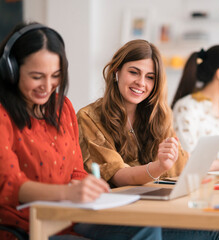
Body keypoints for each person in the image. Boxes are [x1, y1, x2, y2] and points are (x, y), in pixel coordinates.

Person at [0, 23, 161, 240]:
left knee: (146, 226)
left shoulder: (62, 107)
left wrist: (91, 185)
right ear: (11, 70)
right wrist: (67, 193)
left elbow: (75, 170)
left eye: (55, 75)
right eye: (37, 76)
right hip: (27, 226)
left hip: (72, 215)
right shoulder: (3, 113)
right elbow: (9, 184)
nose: (47, 86)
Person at [77, 39, 219, 239]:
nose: (141, 83)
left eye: (150, 77)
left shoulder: (158, 117)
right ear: (116, 71)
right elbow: (118, 175)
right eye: (133, 72)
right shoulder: (89, 117)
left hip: (148, 209)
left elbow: (178, 163)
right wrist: (157, 167)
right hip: (112, 214)